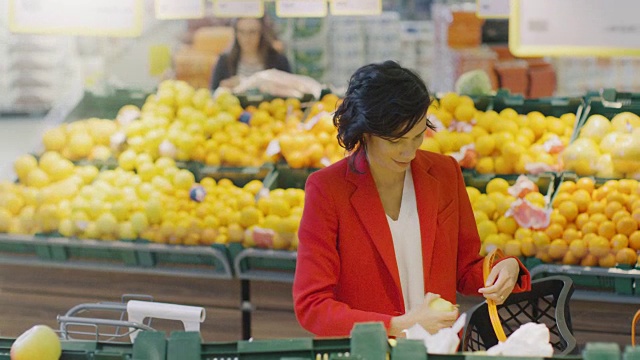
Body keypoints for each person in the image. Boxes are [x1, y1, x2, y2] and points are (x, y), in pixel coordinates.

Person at [292, 61, 531, 338]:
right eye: (395, 141)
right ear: (365, 132)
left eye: (417, 136)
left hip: (439, 350)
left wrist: (503, 268)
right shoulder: (327, 189)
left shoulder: (445, 174)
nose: (409, 151)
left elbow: (465, 270)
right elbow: (313, 307)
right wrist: (400, 326)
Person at [210, 17, 291, 90]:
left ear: (261, 33)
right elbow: (213, 92)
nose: (247, 38)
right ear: (236, 33)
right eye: (241, 32)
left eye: (252, 32)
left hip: (271, 106)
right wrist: (224, 87)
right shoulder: (224, 61)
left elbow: (291, 90)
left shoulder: (279, 60)